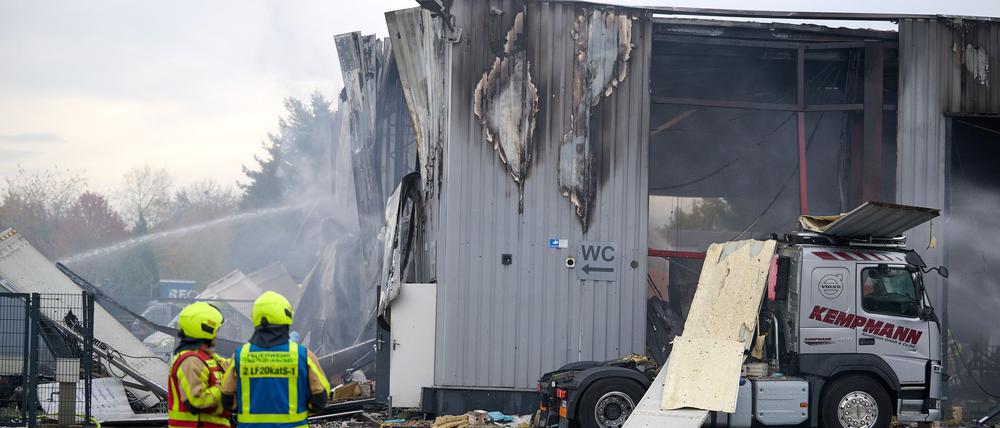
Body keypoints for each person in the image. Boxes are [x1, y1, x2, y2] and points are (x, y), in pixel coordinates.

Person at [221, 291, 330, 427]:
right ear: (287, 316)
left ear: (255, 317)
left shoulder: (240, 355)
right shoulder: (302, 355)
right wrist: (301, 412)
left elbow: (226, 397)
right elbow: (320, 395)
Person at [168, 302, 232, 428]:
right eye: (216, 330)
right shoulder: (190, 361)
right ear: (206, 329)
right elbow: (197, 401)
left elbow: (230, 366)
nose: (217, 335)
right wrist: (225, 385)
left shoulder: (207, 357)